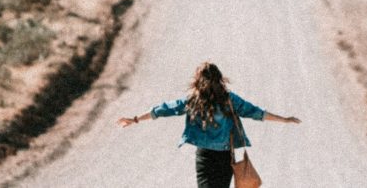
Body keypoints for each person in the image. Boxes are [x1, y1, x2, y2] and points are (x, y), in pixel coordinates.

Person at [118, 62, 301, 188]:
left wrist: (135, 119)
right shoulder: (229, 100)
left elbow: (163, 109)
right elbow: (255, 112)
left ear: (198, 81)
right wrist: (284, 119)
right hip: (224, 157)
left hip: (204, 157)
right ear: (219, 79)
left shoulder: (193, 100)